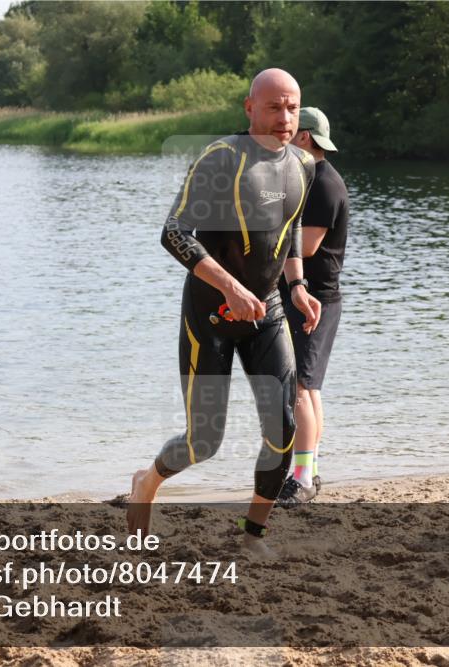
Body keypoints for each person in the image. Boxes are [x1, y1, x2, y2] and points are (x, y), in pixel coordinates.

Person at [127, 68, 320, 556]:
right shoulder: (221, 159)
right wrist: (231, 287)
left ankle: (252, 536)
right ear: (249, 107)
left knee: (283, 429)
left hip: (268, 312)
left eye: (292, 107)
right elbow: (175, 232)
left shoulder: (304, 164)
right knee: (203, 443)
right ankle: (146, 482)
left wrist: (296, 286)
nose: (284, 117)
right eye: (273, 106)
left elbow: (290, 227)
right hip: (210, 316)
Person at [275, 107, 349, 508]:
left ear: (305, 138)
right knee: (309, 388)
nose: (282, 136)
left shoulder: (323, 183)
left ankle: (302, 479)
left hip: (314, 298)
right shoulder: (311, 178)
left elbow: (306, 246)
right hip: (312, 296)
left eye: (289, 131)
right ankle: (309, 472)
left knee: (300, 389)